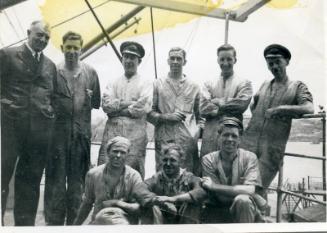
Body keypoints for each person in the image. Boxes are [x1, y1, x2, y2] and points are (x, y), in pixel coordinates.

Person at [0, 20, 56, 226]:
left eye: (47, 38)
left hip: (38, 135)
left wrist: (49, 114)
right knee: (1, 178)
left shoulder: (50, 66)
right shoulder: (7, 55)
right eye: (39, 35)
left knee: (30, 183)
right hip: (10, 129)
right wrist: (7, 105)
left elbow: (54, 98)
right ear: (28, 32)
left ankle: (25, 227)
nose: (42, 40)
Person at [44, 31, 101, 225]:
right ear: (62, 48)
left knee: (77, 186)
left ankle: (75, 226)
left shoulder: (91, 73)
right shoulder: (53, 70)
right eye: (68, 47)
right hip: (57, 139)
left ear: (81, 49)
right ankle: (53, 225)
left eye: (76, 48)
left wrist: (89, 95)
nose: (72, 51)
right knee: (55, 185)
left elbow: (96, 103)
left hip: (80, 139)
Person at [241, 44, 314, 194]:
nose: (274, 66)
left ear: (287, 61)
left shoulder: (297, 86)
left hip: (272, 149)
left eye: (277, 62)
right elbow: (254, 107)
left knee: (256, 188)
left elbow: (309, 108)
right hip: (249, 143)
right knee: (242, 184)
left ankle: (259, 215)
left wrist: (281, 109)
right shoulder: (264, 84)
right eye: (270, 63)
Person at [97, 41, 152, 179]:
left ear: (138, 61)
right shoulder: (113, 82)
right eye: (126, 57)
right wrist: (129, 103)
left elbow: (143, 107)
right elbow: (107, 106)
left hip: (135, 134)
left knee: (132, 172)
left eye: (132, 58)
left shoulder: (145, 83)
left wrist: (118, 107)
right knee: (106, 168)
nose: (128, 61)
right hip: (112, 131)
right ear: (122, 59)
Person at [73, 136, 155, 225]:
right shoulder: (93, 174)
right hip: (99, 223)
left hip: (124, 223)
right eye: (115, 151)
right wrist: (75, 227)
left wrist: (117, 203)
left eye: (122, 152)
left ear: (127, 154)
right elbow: (87, 204)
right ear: (108, 152)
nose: (118, 155)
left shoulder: (134, 176)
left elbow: (139, 208)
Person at [148, 47, 201, 175]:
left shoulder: (194, 86)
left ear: (184, 62)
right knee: (163, 175)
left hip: (187, 142)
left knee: (187, 176)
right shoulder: (157, 84)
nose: (175, 61)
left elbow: (201, 117)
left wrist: (195, 133)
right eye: (172, 58)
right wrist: (167, 117)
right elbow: (149, 113)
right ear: (168, 61)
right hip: (164, 139)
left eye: (179, 59)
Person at [201, 117, 265, 223]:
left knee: (243, 200)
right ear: (219, 137)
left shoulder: (250, 157)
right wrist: (244, 190)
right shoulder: (208, 159)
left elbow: (250, 190)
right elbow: (221, 197)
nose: (230, 139)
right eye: (226, 135)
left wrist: (214, 186)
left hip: (244, 210)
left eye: (234, 136)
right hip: (217, 209)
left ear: (239, 139)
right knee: (243, 197)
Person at [200, 44, 252, 157]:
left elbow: (241, 105)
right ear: (217, 60)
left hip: (231, 137)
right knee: (207, 169)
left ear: (235, 60)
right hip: (210, 135)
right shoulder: (209, 83)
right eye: (222, 59)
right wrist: (229, 104)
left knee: (231, 170)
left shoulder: (244, 83)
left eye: (229, 59)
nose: (225, 63)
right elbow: (203, 108)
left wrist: (217, 101)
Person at [142, 143, 206, 224]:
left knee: (192, 205)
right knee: (150, 206)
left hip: (185, 222)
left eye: (172, 160)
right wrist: (163, 203)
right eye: (165, 160)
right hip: (162, 222)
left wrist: (173, 199)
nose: (168, 164)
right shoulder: (157, 178)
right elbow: (140, 190)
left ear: (181, 162)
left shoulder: (189, 178)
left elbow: (200, 192)